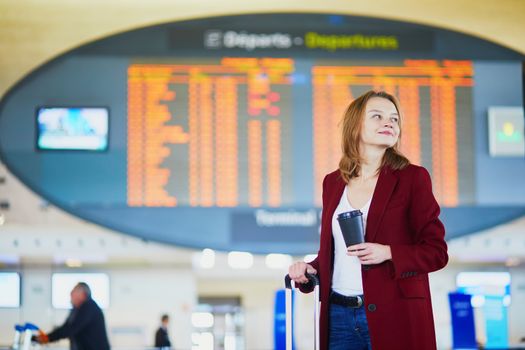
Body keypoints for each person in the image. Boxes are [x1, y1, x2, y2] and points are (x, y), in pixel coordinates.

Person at [288, 90, 448, 350]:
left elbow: (437, 252)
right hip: (338, 315)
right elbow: (337, 253)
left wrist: (388, 252)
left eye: (394, 119)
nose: (389, 123)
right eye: (377, 116)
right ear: (355, 125)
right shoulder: (333, 182)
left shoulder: (412, 178)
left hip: (395, 314)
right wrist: (310, 269)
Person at [35, 282, 110, 350]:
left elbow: (70, 329)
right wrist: (46, 338)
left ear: (83, 294)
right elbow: (65, 327)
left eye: (73, 293)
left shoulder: (89, 307)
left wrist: (46, 338)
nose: (71, 295)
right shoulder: (76, 309)